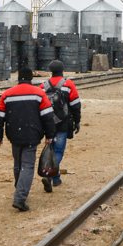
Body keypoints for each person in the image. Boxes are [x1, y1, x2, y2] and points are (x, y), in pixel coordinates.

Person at [0, 67, 55, 212]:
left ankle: (19, 187)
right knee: (27, 166)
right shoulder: (39, 93)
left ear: (18, 78)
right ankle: (20, 198)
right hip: (32, 135)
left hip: (14, 134)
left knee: (18, 164)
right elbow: (48, 117)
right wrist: (49, 135)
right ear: (31, 79)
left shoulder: (7, 94)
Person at [41, 59, 81, 192]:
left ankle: (56, 178)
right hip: (63, 122)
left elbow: (38, 105)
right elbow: (75, 105)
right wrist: (77, 121)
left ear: (51, 71)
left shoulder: (43, 85)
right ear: (63, 70)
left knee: (50, 149)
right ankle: (49, 174)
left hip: (47, 123)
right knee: (58, 151)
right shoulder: (68, 84)